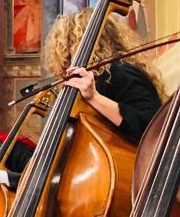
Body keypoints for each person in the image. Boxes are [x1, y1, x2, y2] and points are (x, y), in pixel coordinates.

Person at [43, 8, 163, 142]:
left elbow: (154, 127)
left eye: (65, 46)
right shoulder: (87, 83)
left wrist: (94, 98)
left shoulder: (121, 72)